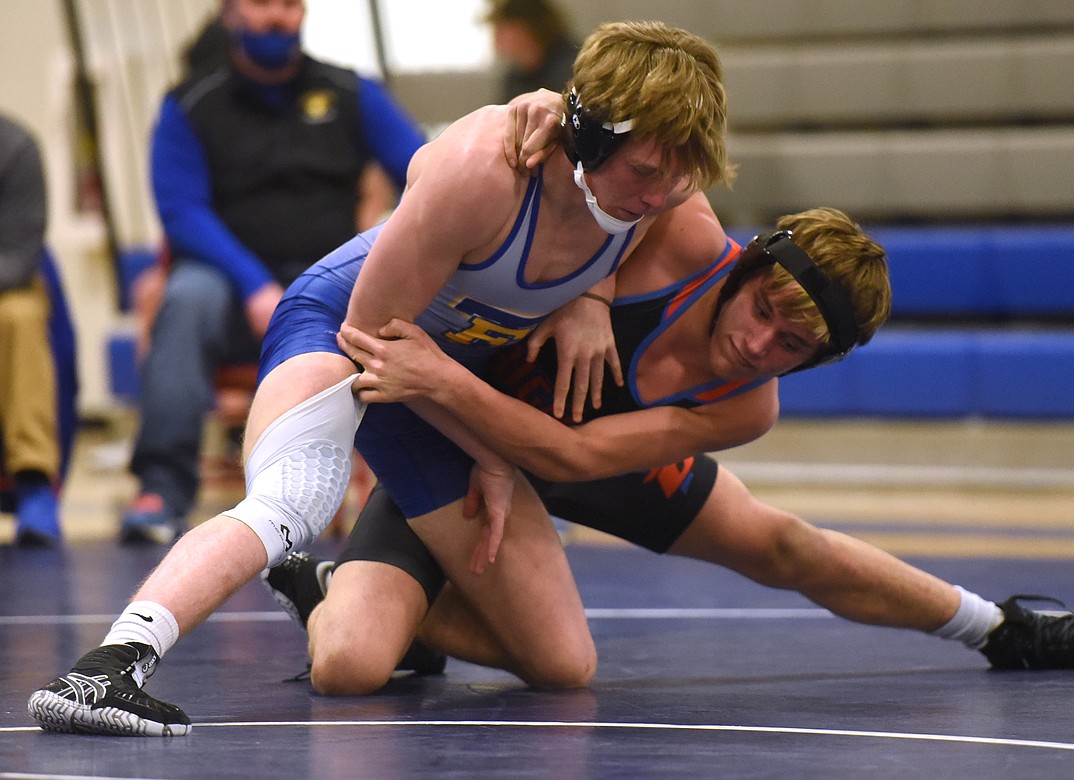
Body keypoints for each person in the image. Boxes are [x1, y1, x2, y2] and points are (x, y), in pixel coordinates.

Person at [28, 19, 733, 736]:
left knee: (562, 662)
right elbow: (370, 343)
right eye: (645, 172)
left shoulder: (664, 193)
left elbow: (662, 235)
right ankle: (109, 666)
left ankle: (336, 592)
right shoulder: (487, 170)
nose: (658, 194)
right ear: (589, 136)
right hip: (348, 326)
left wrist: (593, 295)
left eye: (679, 176)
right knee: (296, 496)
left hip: (434, 375)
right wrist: (489, 450)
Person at [262, 193, 1074, 696]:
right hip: (456, 447)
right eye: (766, 310)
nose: (759, 345)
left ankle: (1003, 628)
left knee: (784, 544)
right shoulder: (684, 235)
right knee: (350, 669)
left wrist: (448, 379)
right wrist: (594, 292)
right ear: (749, 264)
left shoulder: (746, 406)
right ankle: (330, 587)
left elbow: (570, 461)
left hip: (561, 448)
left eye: (793, 348)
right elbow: (613, 167)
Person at [119, 0, 426, 544]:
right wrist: (255, 285)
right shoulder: (190, 105)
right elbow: (181, 211)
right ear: (231, 13)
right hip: (231, 291)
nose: (276, 18)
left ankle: (436, 491)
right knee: (184, 300)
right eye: (261, 4)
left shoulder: (352, 92)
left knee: (433, 297)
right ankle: (161, 490)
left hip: (337, 284)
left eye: (289, 4)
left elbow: (426, 171)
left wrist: (399, 249)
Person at [0, 114, 65, 547]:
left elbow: (20, 256)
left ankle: (33, 481)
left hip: (6, 286)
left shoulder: (14, 146)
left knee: (19, 317)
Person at [485, 0, 578, 101]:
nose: (496, 37)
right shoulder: (516, 77)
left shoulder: (573, 68)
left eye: (501, 28)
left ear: (525, 28)